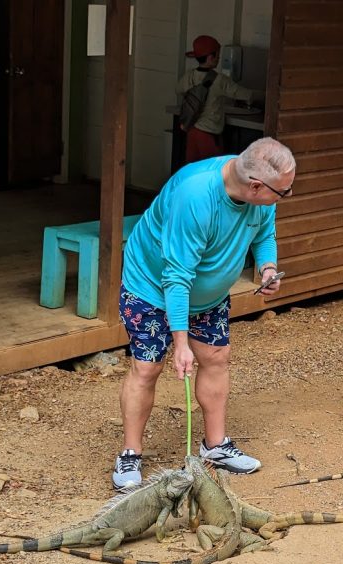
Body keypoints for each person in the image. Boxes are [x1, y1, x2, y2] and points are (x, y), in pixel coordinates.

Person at [111, 138, 296, 489]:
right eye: (283, 192)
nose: (286, 197)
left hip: (207, 295)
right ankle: (130, 454)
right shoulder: (195, 196)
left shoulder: (260, 190)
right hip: (152, 285)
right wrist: (180, 342)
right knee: (148, 367)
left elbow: (264, 232)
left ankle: (215, 446)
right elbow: (176, 276)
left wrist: (268, 267)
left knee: (216, 357)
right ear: (256, 186)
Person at [176, 35, 259, 164]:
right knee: (211, 171)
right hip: (209, 135)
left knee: (191, 171)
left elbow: (179, 89)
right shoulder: (220, 80)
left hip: (192, 131)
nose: (219, 59)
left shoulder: (189, 75)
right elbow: (245, 94)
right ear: (210, 57)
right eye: (218, 56)